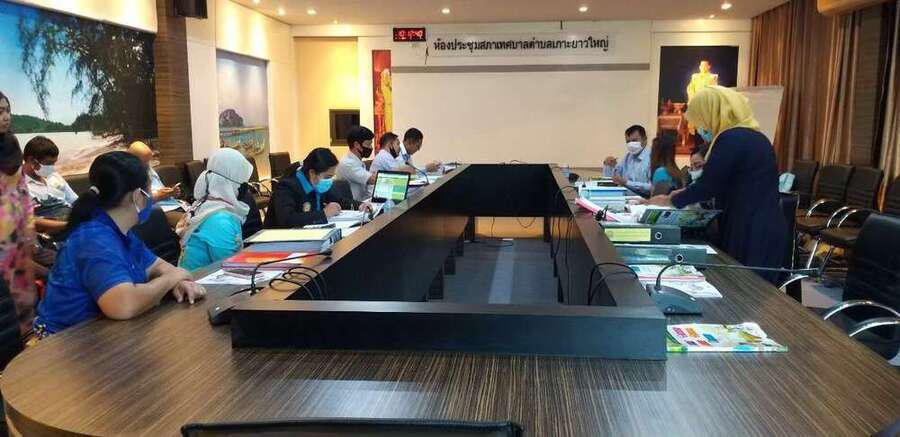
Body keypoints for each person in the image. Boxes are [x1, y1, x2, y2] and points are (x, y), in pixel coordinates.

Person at [34, 151, 205, 337]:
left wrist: (178, 281)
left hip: (104, 336)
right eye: (149, 191)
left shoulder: (121, 232)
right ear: (138, 196)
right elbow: (124, 305)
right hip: (63, 344)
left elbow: (159, 266)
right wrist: (171, 279)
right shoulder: (94, 239)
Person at [643, 86, 786, 284]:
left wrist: (669, 201)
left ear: (713, 113)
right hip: (764, 225)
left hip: (750, 230)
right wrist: (679, 194)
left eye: (701, 119)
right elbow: (722, 182)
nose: (701, 128)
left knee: (745, 288)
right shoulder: (755, 137)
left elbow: (707, 186)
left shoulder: (731, 138)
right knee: (756, 289)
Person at [177, 148, 253, 271]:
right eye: (241, 183)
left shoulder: (207, 205)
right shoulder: (220, 220)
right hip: (201, 281)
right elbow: (232, 268)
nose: (245, 187)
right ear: (230, 184)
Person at [266, 148, 369, 229]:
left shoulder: (317, 183)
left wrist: (360, 205)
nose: (329, 181)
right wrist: (323, 214)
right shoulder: (287, 187)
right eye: (327, 177)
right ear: (312, 173)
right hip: (280, 241)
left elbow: (338, 200)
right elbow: (287, 220)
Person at [0, 129, 38, 340]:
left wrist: (29, 227)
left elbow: (25, 196)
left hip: (18, 237)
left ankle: (27, 336)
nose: (5, 116)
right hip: (3, 238)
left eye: (7, 112)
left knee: (23, 290)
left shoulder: (13, 150)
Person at [23, 136, 76, 235]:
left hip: (72, 222)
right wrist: (67, 225)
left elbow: (74, 200)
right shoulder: (18, 185)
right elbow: (24, 220)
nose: (52, 168)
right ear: (31, 160)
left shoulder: (54, 176)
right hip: (51, 232)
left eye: (53, 163)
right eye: (48, 164)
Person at [126, 141, 182, 205]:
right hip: (154, 208)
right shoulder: (124, 177)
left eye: (148, 161)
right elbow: (134, 204)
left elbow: (158, 189)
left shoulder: (148, 169)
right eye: (144, 162)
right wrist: (158, 196)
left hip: (168, 205)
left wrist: (170, 193)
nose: (148, 165)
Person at [603, 125, 652, 196]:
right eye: (628, 142)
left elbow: (652, 188)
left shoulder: (652, 158)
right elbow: (613, 178)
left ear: (645, 139)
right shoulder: (628, 156)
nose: (631, 144)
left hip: (644, 200)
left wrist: (627, 183)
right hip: (626, 198)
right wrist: (608, 165)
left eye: (634, 140)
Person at [335, 125, 378, 201]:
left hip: (363, 202)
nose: (371, 147)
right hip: (353, 206)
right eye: (368, 144)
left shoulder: (357, 161)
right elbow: (372, 179)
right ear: (356, 145)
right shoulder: (347, 163)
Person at [649, 130, 683, 195]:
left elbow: (657, 199)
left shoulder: (660, 172)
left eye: (652, 150)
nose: (650, 154)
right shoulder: (674, 171)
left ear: (657, 153)